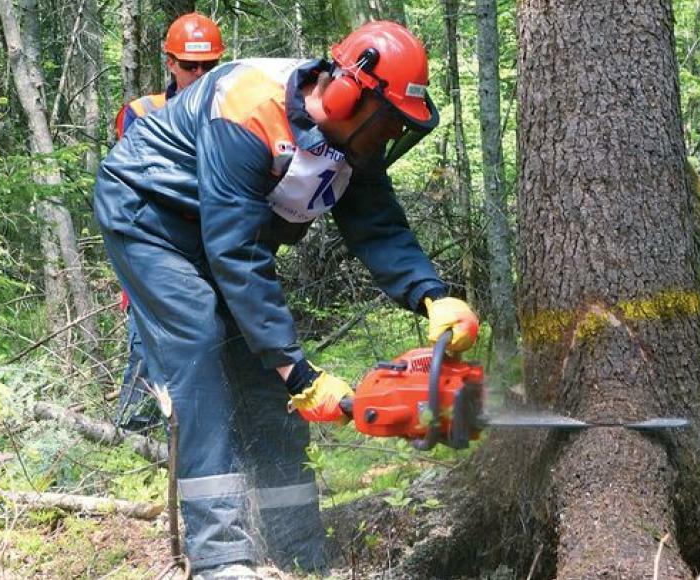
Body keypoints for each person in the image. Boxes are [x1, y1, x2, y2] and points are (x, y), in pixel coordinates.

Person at [93, 21, 479, 579]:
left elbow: (379, 228)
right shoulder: (250, 109)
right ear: (349, 94)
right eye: (388, 121)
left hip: (221, 232)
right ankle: (219, 555)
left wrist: (432, 297)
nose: (389, 136)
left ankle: (295, 545)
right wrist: (298, 373)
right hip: (153, 216)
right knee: (200, 350)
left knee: (260, 374)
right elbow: (237, 256)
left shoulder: (353, 144)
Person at [111, 12, 225, 432]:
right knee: (148, 347)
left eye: (208, 66)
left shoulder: (231, 114)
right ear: (171, 63)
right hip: (157, 250)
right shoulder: (143, 112)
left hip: (213, 247)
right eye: (190, 65)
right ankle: (134, 438)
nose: (199, 74)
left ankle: (199, 431)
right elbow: (133, 187)